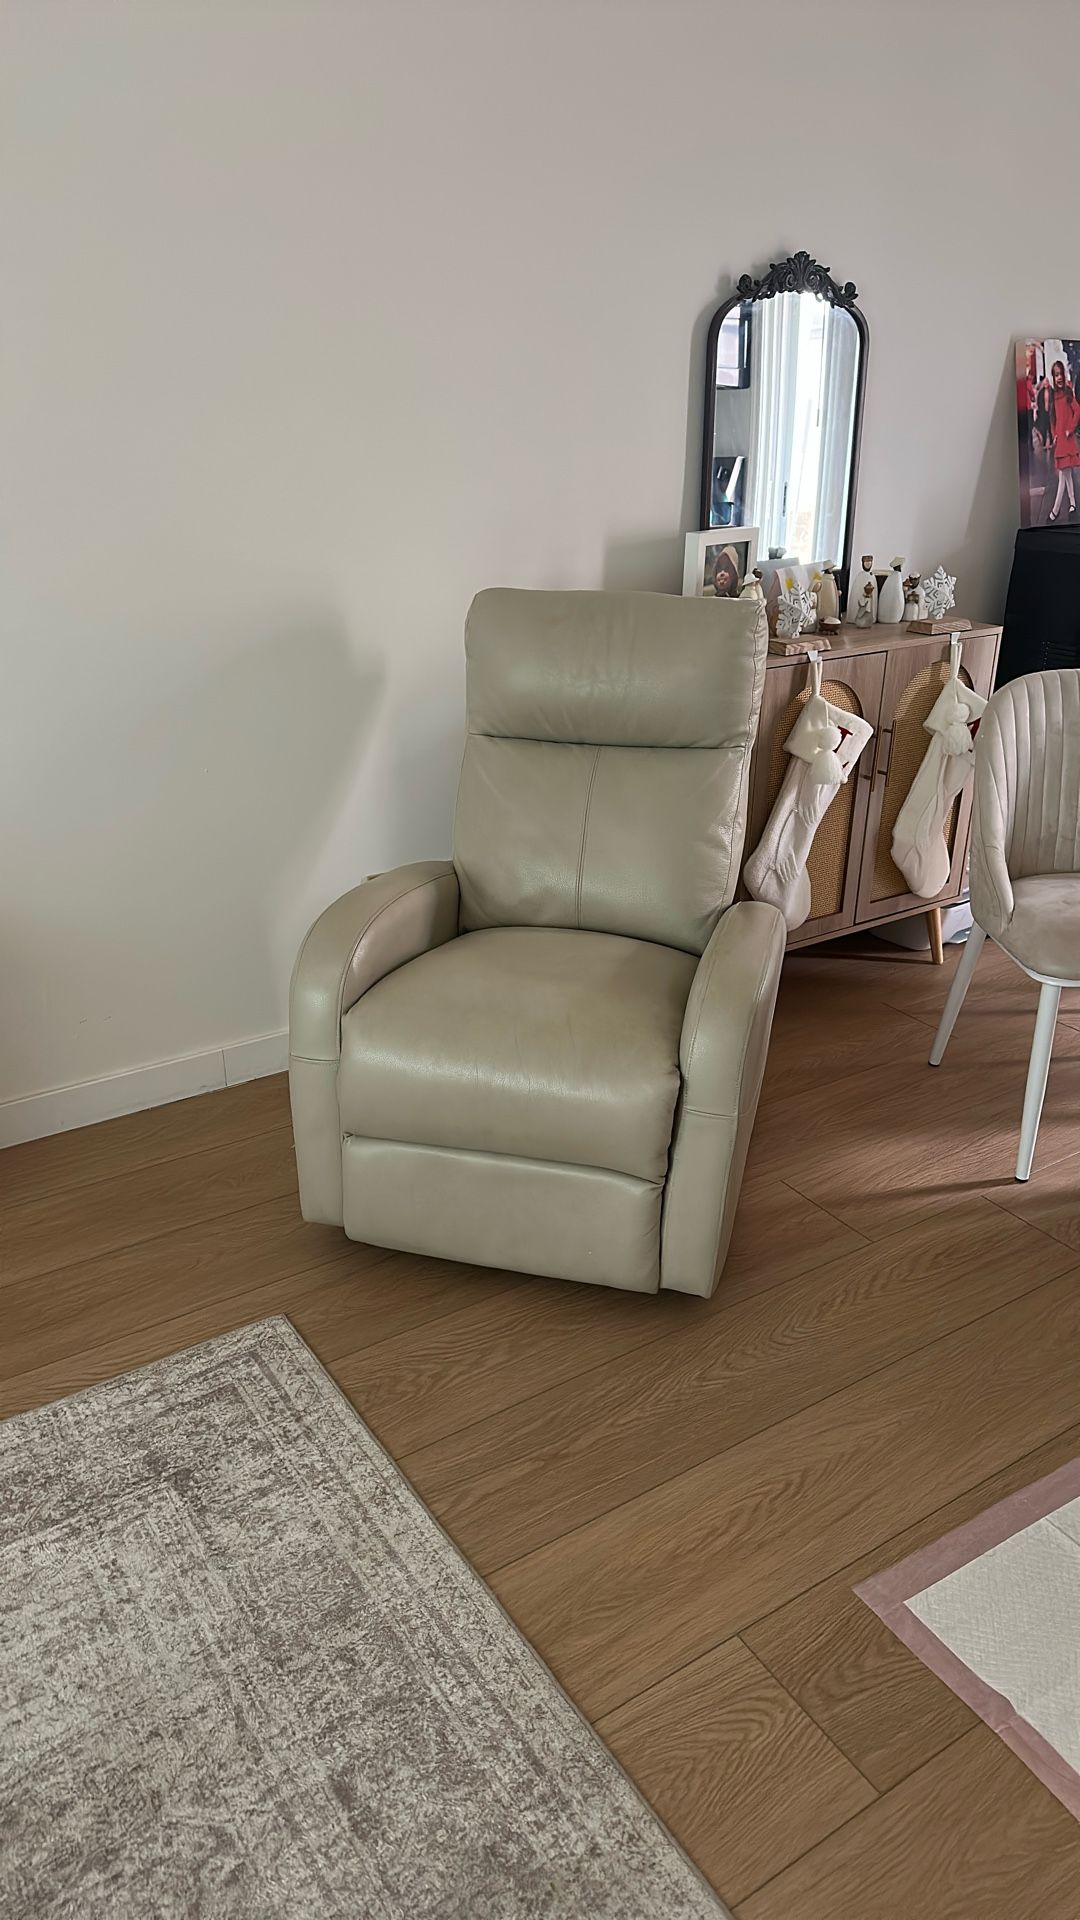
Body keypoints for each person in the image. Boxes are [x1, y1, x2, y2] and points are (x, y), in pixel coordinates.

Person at [1046, 358, 1080, 522]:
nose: (1059, 377)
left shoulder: (1068, 393)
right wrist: (1054, 435)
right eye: (1055, 375)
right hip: (1060, 442)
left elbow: (1077, 410)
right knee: (1066, 475)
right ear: (1053, 377)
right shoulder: (1053, 396)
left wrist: (1070, 429)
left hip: (1068, 440)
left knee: (1063, 475)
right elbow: (1052, 419)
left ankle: (1055, 510)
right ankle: (1073, 503)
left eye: (1060, 374)